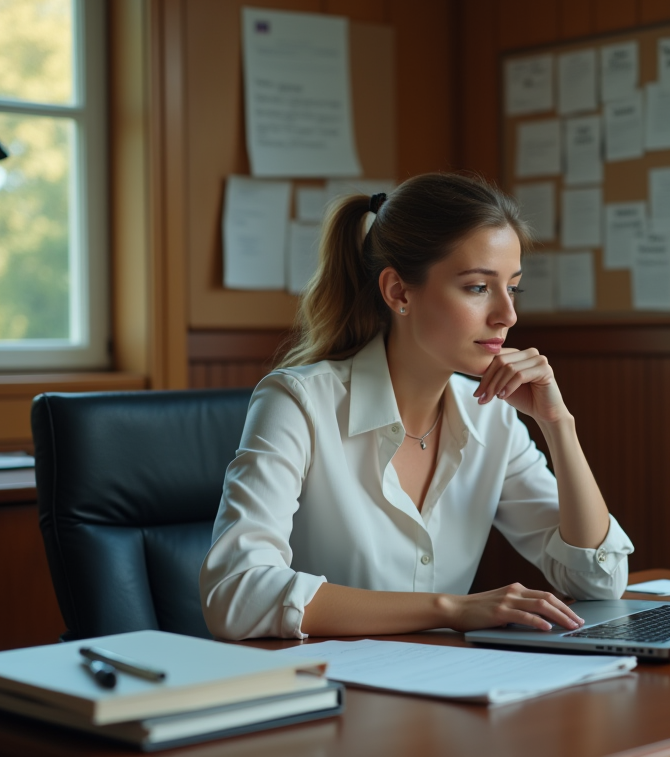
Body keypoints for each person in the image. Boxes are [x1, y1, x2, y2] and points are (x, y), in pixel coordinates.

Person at [200, 173, 634, 641]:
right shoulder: (299, 402)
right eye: (478, 287)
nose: (507, 315)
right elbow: (236, 593)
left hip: (440, 677)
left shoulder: (492, 416)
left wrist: (557, 424)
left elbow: (599, 581)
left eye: (513, 288)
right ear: (399, 292)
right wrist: (451, 609)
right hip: (321, 680)